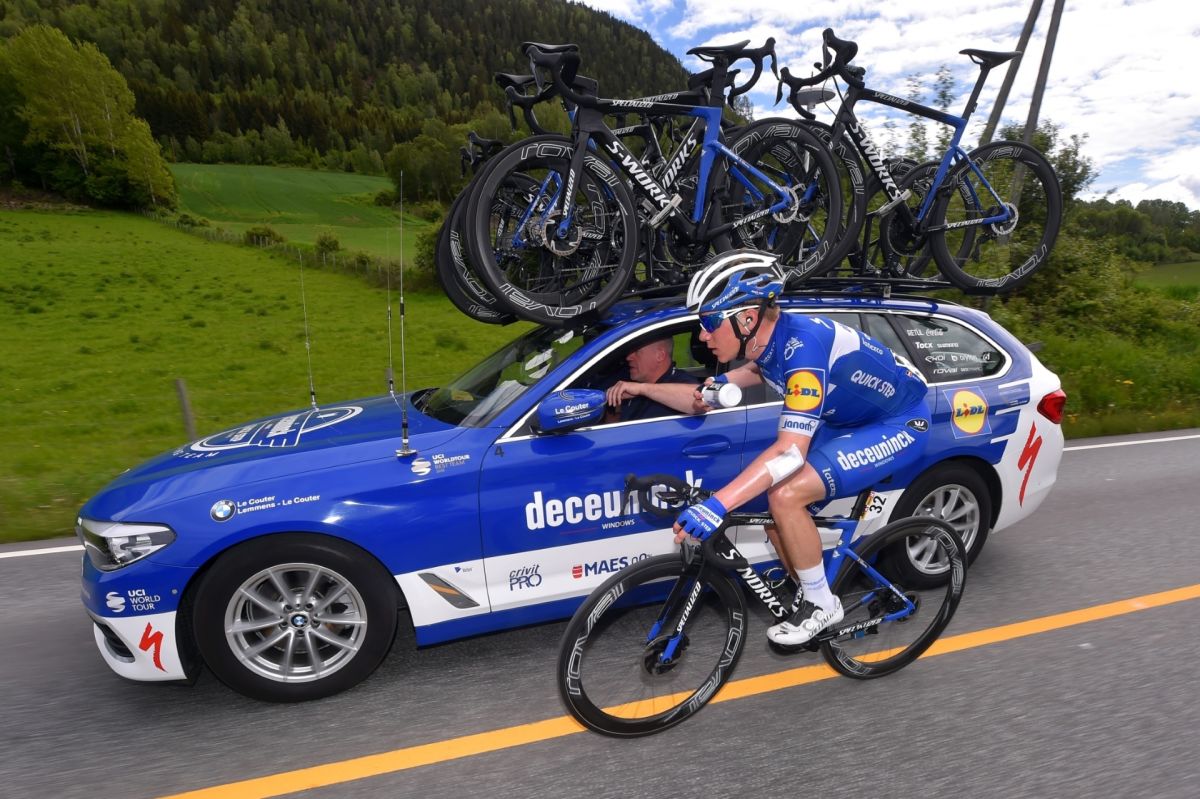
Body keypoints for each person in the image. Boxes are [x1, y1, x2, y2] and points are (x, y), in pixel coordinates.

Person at [672, 250, 932, 646]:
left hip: (900, 423)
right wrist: (728, 382)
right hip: (849, 421)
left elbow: (788, 452)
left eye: (709, 323)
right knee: (775, 512)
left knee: (786, 494)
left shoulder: (804, 348)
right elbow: (762, 367)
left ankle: (821, 603)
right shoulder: (770, 339)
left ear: (747, 318)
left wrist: (717, 505)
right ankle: (812, 590)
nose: (703, 336)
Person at [602, 336, 703, 422]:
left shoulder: (680, 382)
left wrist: (641, 389)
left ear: (659, 355)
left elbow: (700, 398)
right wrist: (614, 407)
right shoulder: (631, 385)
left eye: (637, 351)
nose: (628, 357)